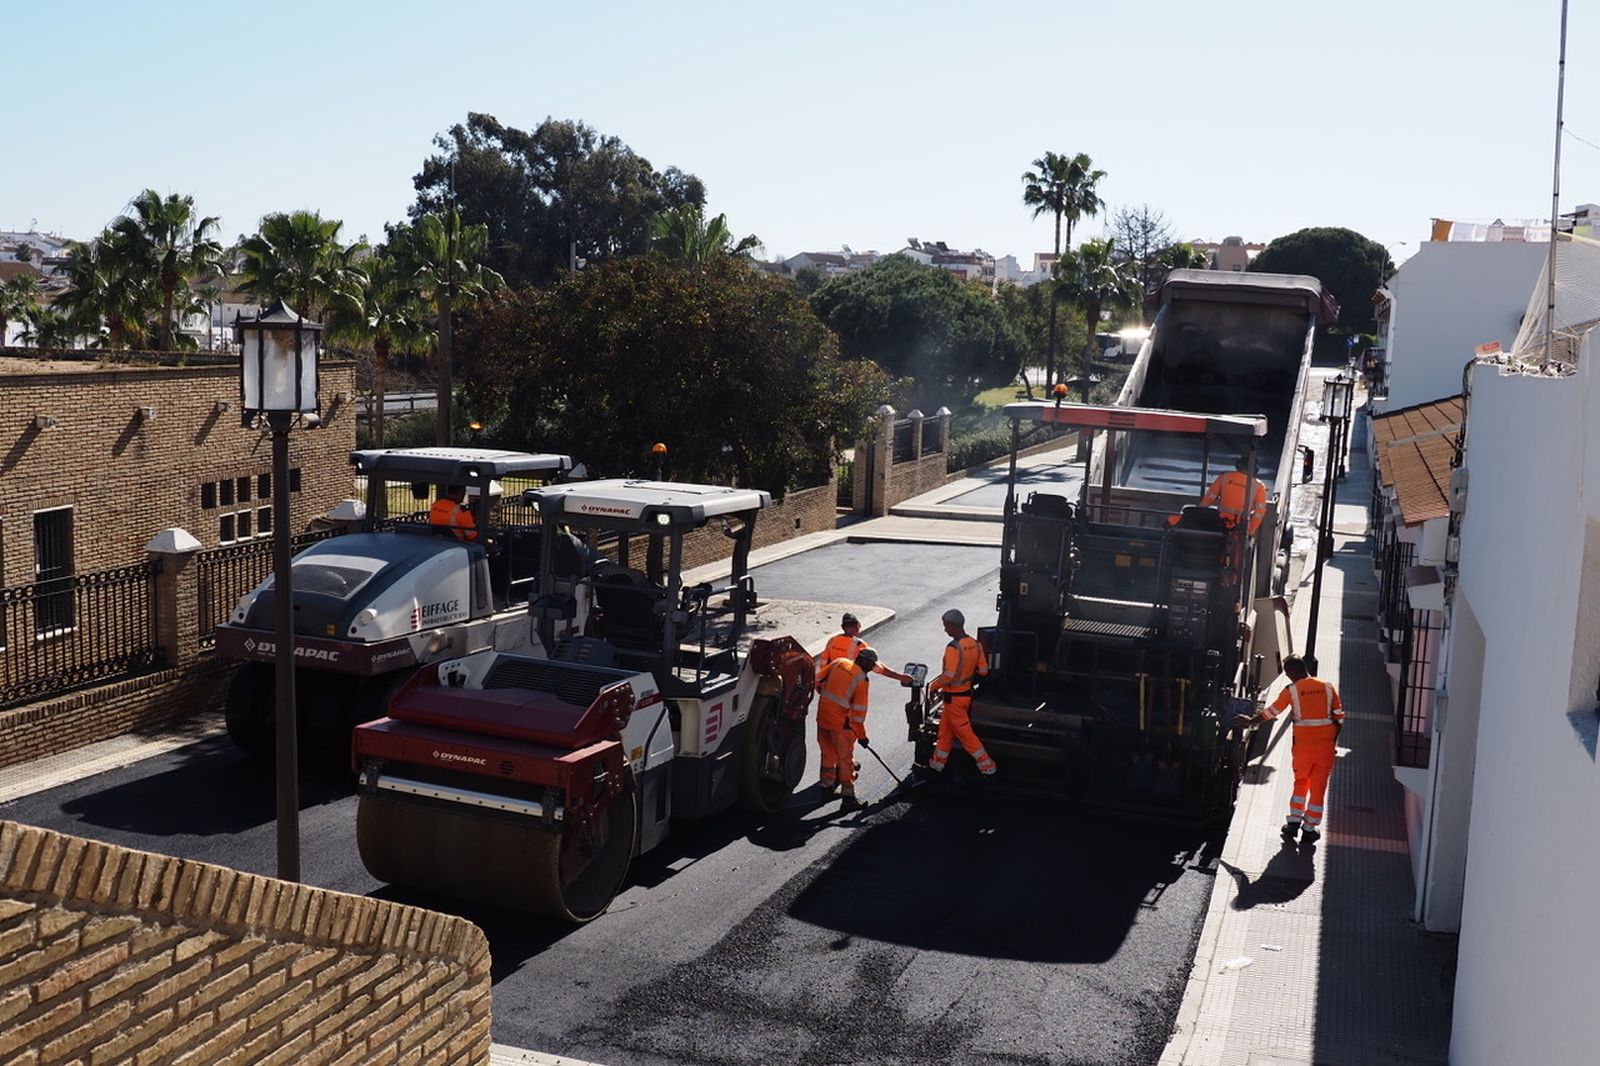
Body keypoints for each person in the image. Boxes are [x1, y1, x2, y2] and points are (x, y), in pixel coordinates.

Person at [1234, 654, 1344, 843]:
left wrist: (1251, 722)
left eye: (1287, 672)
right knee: (1318, 787)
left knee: (1301, 782)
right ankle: (1309, 829)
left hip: (1302, 748)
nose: (1286, 676)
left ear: (1295, 671)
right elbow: (1339, 718)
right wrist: (1332, 742)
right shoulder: (1328, 687)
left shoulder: (1291, 690)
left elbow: (1273, 711)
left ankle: (1293, 823)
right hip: (1325, 748)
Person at [926, 609, 997, 776]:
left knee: (966, 736)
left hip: (954, 699)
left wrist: (934, 686)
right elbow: (984, 670)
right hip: (964, 697)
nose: (945, 630)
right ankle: (936, 766)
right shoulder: (975, 644)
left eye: (946, 626)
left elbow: (948, 676)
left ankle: (988, 767)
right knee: (945, 732)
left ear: (953, 625)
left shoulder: (953, 648)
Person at [814, 647, 885, 807]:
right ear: (866, 662)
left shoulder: (839, 662)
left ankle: (826, 789)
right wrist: (862, 736)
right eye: (872, 665)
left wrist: (827, 701)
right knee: (845, 759)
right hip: (840, 723)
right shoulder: (861, 679)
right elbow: (858, 715)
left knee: (827, 753)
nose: (872, 668)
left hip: (823, 716)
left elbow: (817, 680)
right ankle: (848, 798)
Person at [820, 612, 915, 684]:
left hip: (831, 685)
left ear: (843, 627)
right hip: (850, 687)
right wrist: (900, 677)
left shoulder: (832, 640)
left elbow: (823, 665)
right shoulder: (859, 645)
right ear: (858, 626)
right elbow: (878, 668)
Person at [1200, 455, 1268, 537]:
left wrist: (1198, 517)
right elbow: (1260, 512)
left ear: (1238, 465)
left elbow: (1207, 499)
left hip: (1220, 524)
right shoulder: (1259, 486)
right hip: (1240, 527)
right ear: (1255, 469)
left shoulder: (1224, 477)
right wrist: (1250, 531)